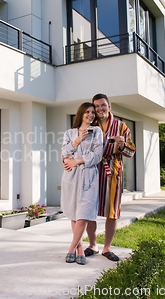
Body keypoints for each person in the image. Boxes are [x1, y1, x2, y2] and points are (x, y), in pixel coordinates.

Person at [83, 94, 135, 262]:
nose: (99, 109)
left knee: (112, 212)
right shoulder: (91, 125)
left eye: (102, 105)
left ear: (109, 106)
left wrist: (121, 144)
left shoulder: (121, 126)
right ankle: (92, 245)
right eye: (96, 106)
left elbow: (131, 152)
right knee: (90, 210)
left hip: (112, 173)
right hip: (92, 172)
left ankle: (107, 248)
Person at [61, 102, 103, 265]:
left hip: (89, 176)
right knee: (73, 212)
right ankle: (80, 250)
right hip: (71, 177)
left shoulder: (97, 131)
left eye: (93, 112)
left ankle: (71, 248)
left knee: (84, 213)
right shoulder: (70, 133)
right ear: (80, 114)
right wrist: (79, 139)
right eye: (87, 112)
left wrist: (77, 160)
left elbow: (97, 155)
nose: (91, 115)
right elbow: (64, 152)